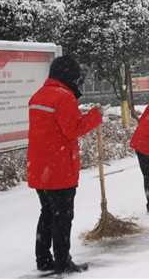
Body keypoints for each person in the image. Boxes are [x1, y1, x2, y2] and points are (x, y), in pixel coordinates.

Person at [27, 55, 102, 274]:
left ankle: (43, 259)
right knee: (63, 217)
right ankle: (62, 261)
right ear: (68, 75)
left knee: (47, 213)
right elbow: (73, 129)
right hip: (58, 169)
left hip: (40, 168)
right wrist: (95, 116)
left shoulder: (38, 96)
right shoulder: (63, 97)